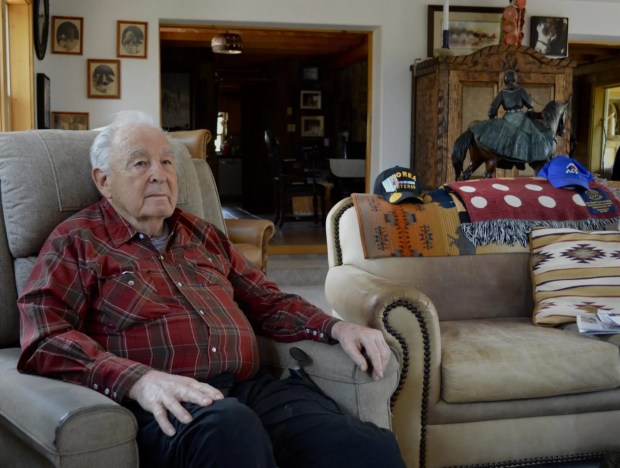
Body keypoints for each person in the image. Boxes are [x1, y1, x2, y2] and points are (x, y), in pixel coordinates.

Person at [17, 111, 405, 468]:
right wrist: (138, 380)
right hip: (168, 403)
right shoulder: (77, 241)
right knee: (232, 429)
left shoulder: (202, 234)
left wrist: (337, 327)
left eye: (167, 162)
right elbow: (45, 337)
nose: (159, 174)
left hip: (249, 388)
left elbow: (268, 302)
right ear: (104, 181)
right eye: (140, 163)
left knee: (369, 447)